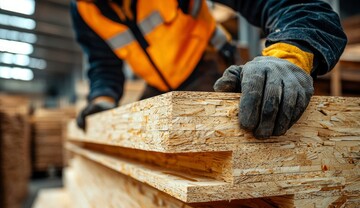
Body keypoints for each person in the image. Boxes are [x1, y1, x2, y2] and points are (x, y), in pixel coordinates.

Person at [72, 0, 347, 139]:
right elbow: (103, 64)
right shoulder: (84, 9)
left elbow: (290, 5)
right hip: (159, 84)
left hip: (208, 64)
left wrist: (289, 55)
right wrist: (102, 100)